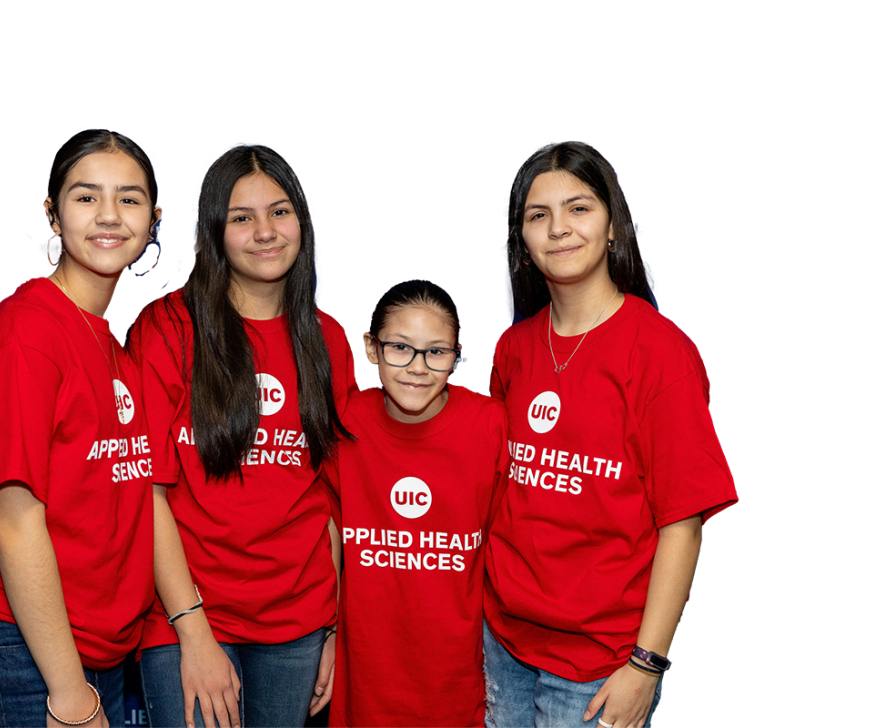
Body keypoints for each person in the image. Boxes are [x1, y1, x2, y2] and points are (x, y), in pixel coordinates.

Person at [0, 129, 183, 727]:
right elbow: (14, 522)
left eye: (130, 198)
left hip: (87, 648)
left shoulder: (111, 343)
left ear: (152, 220)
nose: (110, 216)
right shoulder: (26, 336)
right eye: (86, 197)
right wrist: (70, 695)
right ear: (52, 215)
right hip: (17, 649)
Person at [483, 141, 738, 728]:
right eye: (537, 215)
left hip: (600, 664)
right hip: (503, 643)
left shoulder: (660, 353)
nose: (558, 229)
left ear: (614, 227)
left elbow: (683, 523)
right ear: (521, 243)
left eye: (579, 208)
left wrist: (646, 666)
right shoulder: (513, 349)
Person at [127, 144, 357, 728]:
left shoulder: (327, 340)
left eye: (279, 212)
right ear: (214, 232)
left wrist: (330, 626)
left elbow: (328, 497)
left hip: (297, 624)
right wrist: (195, 635)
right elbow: (146, 492)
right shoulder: (169, 328)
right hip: (189, 618)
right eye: (241, 217)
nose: (265, 232)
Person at [322, 280, 508, 727]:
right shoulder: (344, 424)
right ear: (371, 349)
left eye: (436, 352)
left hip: (459, 684)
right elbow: (324, 532)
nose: (418, 368)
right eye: (400, 348)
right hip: (365, 681)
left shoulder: (490, 426)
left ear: (456, 355)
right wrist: (325, 634)